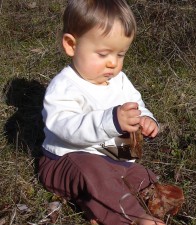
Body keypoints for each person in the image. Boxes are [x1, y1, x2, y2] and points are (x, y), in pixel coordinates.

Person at [38, 0, 165, 224]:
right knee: (94, 174)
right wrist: (112, 121)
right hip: (66, 160)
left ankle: (101, 207)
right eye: (103, 54)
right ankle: (133, 219)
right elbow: (66, 127)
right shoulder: (64, 86)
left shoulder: (119, 80)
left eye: (120, 55)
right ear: (71, 45)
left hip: (113, 156)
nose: (113, 64)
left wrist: (145, 118)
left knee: (139, 176)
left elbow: (136, 103)